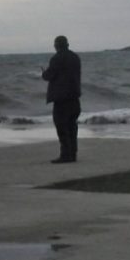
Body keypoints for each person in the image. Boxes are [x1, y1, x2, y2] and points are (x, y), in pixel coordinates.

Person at [40, 35, 82, 164]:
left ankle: (65, 155)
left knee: (61, 127)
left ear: (56, 46)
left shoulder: (57, 58)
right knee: (72, 127)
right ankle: (73, 153)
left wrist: (44, 73)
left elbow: (49, 76)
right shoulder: (75, 57)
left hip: (61, 98)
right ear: (67, 45)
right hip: (74, 96)